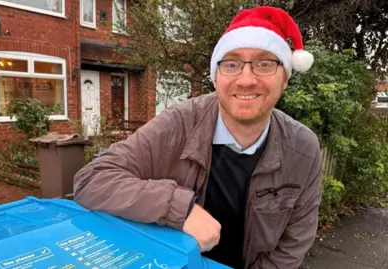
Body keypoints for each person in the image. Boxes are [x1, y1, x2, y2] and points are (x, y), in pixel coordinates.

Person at [73, 6, 322, 269]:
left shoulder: (303, 150)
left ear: (284, 78)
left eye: (264, 63)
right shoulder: (176, 126)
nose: (246, 79)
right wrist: (180, 208)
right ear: (216, 77)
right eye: (231, 64)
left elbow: (292, 246)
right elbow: (91, 180)